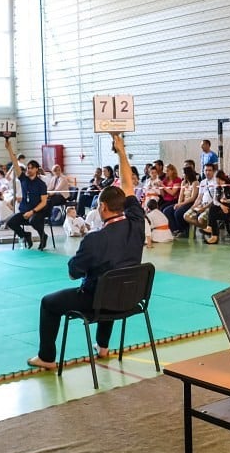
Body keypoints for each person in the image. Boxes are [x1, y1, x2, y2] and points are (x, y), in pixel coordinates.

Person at [27, 133, 144, 370]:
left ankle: (47, 357)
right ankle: (103, 346)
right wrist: (121, 151)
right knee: (115, 276)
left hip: (98, 303)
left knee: (49, 303)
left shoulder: (94, 239)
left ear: (101, 207)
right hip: (130, 298)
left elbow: (73, 273)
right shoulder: (137, 222)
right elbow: (128, 185)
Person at [4, 138, 51, 251]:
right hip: (24, 210)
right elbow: (15, 163)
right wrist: (9, 149)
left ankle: (43, 236)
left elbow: (44, 202)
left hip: (37, 212)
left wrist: (32, 212)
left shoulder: (41, 184)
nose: (28, 170)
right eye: (28, 168)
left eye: (31, 168)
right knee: (10, 222)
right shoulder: (23, 179)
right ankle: (25, 235)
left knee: (33, 220)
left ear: (36, 169)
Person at [202, 170, 230, 245]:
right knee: (213, 209)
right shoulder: (217, 187)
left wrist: (227, 201)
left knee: (213, 214)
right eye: (217, 182)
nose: (218, 183)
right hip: (222, 208)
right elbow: (215, 200)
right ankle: (213, 234)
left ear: (223, 179)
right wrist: (221, 205)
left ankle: (213, 235)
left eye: (220, 181)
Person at [165, 166, 198, 237]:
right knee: (167, 211)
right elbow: (181, 195)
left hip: (190, 203)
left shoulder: (195, 183)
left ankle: (183, 229)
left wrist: (181, 204)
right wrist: (179, 204)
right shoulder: (183, 182)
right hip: (183, 202)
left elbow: (193, 198)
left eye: (184, 173)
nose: (183, 175)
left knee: (178, 212)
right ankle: (175, 229)